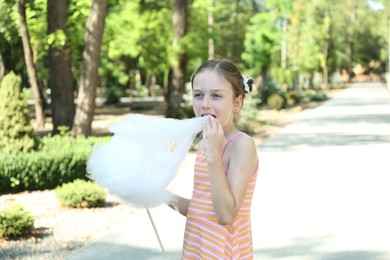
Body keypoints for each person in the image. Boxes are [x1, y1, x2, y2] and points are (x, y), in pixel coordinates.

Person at [168, 59, 259, 259]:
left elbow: (226, 215)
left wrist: (213, 156)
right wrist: (160, 195)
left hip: (224, 252)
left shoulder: (241, 145)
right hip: (198, 250)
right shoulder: (205, 145)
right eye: (198, 95)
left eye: (216, 96)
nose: (205, 104)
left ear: (237, 103)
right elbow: (201, 208)